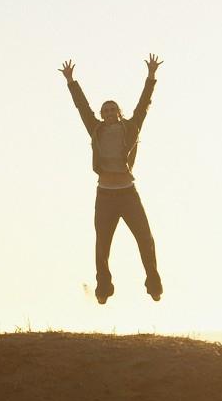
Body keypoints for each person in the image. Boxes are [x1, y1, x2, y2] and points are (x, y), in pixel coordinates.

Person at [59, 55, 163, 304]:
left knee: (145, 239)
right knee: (102, 245)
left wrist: (150, 77)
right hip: (105, 194)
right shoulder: (96, 129)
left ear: (119, 112)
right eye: (104, 110)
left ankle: (154, 285)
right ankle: (103, 289)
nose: (107, 113)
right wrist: (71, 81)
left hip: (128, 193)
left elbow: (143, 105)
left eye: (112, 109)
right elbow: (82, 107)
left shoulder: (131, 127)